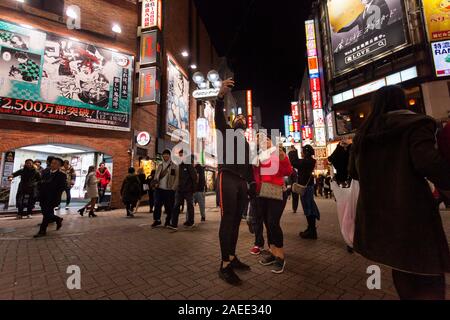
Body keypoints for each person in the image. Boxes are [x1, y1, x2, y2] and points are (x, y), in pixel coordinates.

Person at [349, 85, 450, 300]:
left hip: (379, 216)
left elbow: (353, 173)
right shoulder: (416, 124)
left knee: (401, 267)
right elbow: (429, 164)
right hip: (412, 213)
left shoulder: (364, 134)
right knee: (428, 273)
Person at [215, 79, 256, 285]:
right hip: (227, 178)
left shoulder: (247, 143)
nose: (240, 118)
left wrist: (252, 185)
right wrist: (221, 95)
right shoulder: (225, 131)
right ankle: (224, 265)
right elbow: (217, 116)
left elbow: (249, 167)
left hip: (241, 182)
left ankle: (231, 257)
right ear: (232, 123)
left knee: (236, 221)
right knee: (227, 220)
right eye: (237, 117)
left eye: (243, 117)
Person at [255, 136, 293, 274]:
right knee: (267, 222)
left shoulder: (277, 153)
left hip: (277, 192)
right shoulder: (260, 156)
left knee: (273, 222)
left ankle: (280, 257)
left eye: (265, 139)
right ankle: (272, 252)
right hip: (263, 193)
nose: (263, 142)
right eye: (259, 141)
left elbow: (288, 171)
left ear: (270, 140)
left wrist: (282, 157)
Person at [289, 145, 320, 240]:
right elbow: (297, 162)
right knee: (309, 207)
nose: (301, 153)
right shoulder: (309, 161)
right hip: (308, 187)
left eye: (302, 151)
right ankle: (310, 229)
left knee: (308, 208)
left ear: (306, 152)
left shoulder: (308, 161)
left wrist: (293, 152)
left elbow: (294, 162)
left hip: (306, 188)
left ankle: (312, 231)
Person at [34, 158, 66, 238]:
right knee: (46, 213)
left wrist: (56, 198)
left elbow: (61, 188)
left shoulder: (62, 175)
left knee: (46, 215)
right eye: (52, 163)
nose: (52, 165)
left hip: (52, 197)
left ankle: (42, 231)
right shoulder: (45, 172)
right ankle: (58, 219)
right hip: (43, 196)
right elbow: (40, 182)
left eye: (55, 163)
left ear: (59, 166)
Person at [168, 151, 197, 230]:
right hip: (179, 189)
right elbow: (173, 175)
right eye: (180, 156)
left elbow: (194, 177)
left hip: (188, 190)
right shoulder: (177, 165)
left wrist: (193, 189)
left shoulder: (189, 165)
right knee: (176, 206)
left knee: (190, 206)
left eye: (182, 156)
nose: (181, 157)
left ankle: (190, 222)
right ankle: (174, 224)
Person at [151, 150, 178, 228]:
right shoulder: (160, 165)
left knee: (169, 207)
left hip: (169, 190)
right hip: (159, 189)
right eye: (164, 155)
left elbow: (177, 178)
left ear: (170, 156)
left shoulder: (174, 166)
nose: (165, 157)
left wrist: (173, 188)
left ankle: (168, 221)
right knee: (157, 205)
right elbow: (156, 176)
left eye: (167, 155)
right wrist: (155, 183)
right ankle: (157, 220)